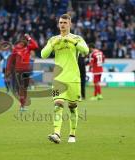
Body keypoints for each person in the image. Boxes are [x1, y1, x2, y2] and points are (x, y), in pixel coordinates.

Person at [41, 14, 89, 143]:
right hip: (58, 79)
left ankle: (72, 134)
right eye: (60, 22)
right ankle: (56, 134)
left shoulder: (77, 38)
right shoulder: (53, 39)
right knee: (57, 105)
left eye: (65, 22)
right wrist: (53, 44)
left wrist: (72, 41)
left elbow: (85, 51)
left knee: (72, 106)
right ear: (58, 24)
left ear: (70, 24)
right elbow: (43, 54)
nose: (62, 24)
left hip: (73, 78)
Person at [6, 34, 38, 111]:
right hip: (19, 70)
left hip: (26, 70)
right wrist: (8, 70)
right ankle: (21, 106)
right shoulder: (16, 49)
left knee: (25, 88)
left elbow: (36, 46)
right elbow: (11, 60)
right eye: (23, 40)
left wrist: (29, 38)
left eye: (26, 40)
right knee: (21, 87)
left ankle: (23, 105)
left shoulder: (28, 47)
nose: (24, 42)